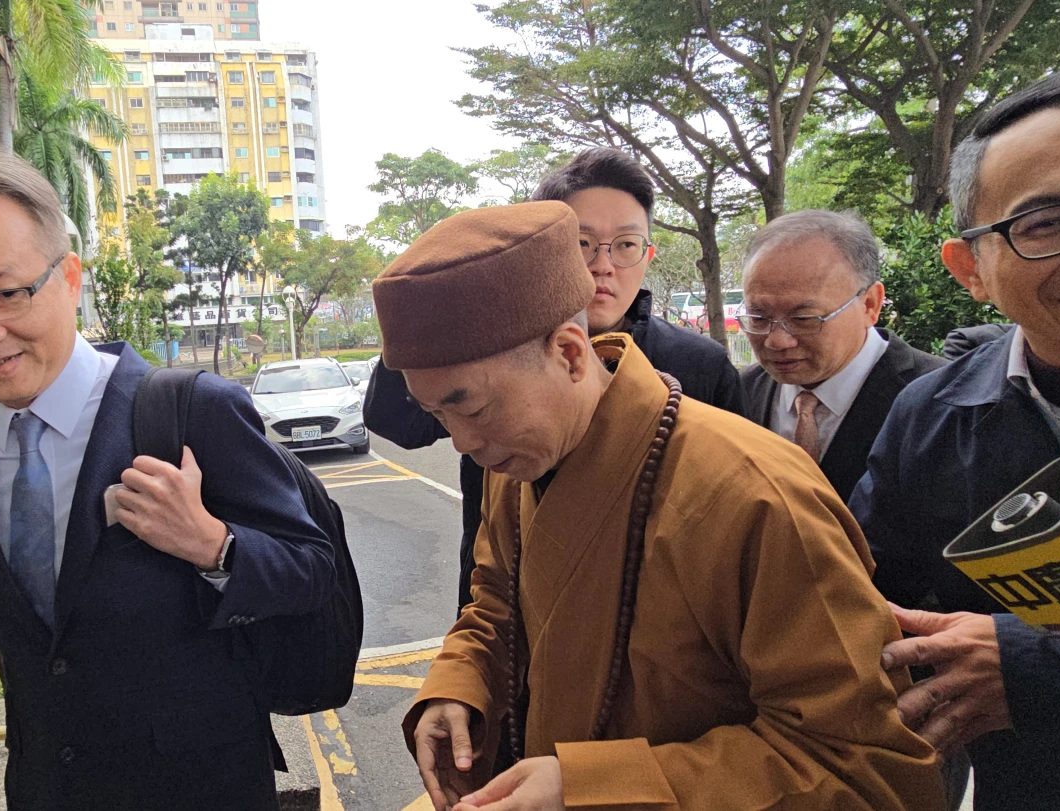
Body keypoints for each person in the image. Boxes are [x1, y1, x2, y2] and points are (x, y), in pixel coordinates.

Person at [377, 201, 940, 811]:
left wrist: (590, 788)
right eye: (437, 414)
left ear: (570, 352)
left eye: (472, 407)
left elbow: (864, 767)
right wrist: (459, 686)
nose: (463, 443)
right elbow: (497, 601)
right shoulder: (514, 466)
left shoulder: (755, 494)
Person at [0, 151, 334, 811]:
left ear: (69, 277)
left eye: (7, 292)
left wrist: (214, 546)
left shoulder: (192, 411)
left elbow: (313, 570)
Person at [365, 147, 744, 611]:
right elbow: (394, 421)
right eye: (582, 243)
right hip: (505, 609)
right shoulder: (486, 353)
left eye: (626, 245)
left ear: (649, 254)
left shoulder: (700, 366)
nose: (603, 264)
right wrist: (435, 302)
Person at [850, 67, 1060, 810]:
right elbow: (864, 598)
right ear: (970, 267)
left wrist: (1037, 666)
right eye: (1049, 222)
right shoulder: (930, 417)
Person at [739, 210, 946, 502]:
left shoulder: (944, 401)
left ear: (870, 305)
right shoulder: (739, 393)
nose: (777, 341)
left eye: (804, 319)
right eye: (758, 318)